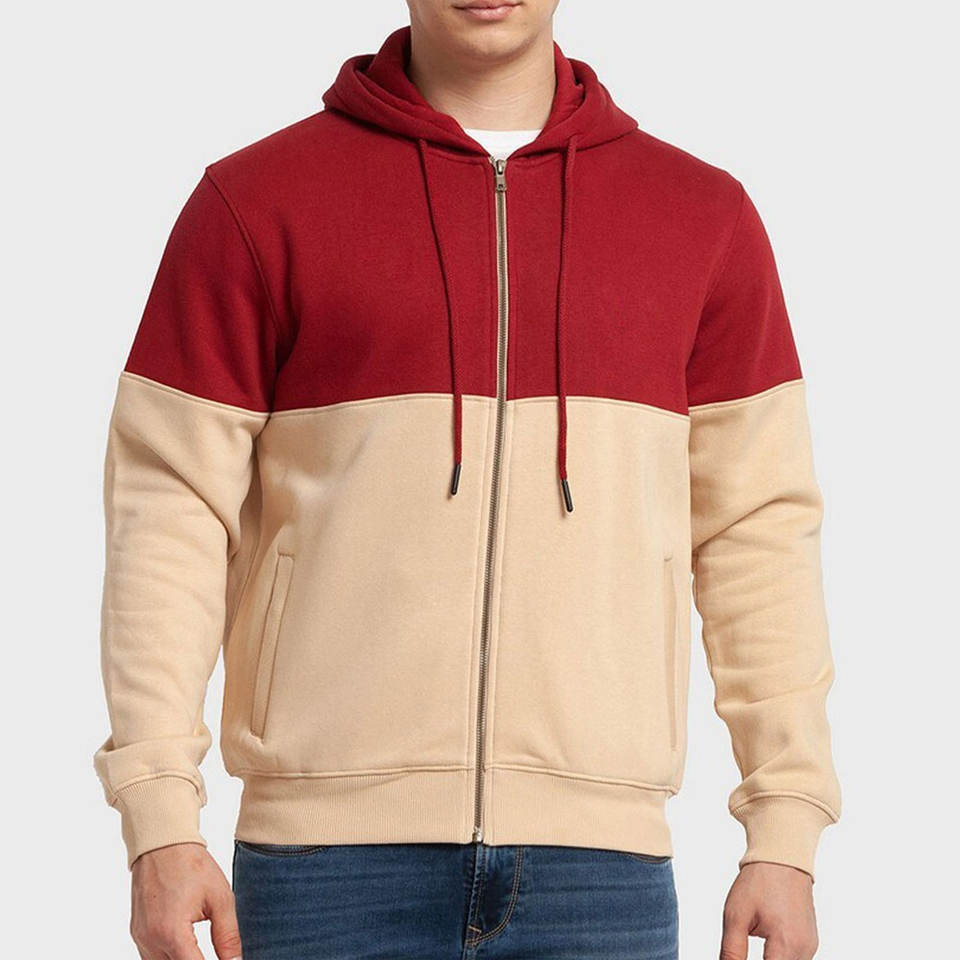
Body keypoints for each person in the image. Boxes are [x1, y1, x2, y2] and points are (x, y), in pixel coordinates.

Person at [94, 2, 841, 958]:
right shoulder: (256, 203)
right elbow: (168, 514)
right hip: (325, 867)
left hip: (598, 875)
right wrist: (159, 814)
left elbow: (757, 536)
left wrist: (786, 828)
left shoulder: (701, 218)